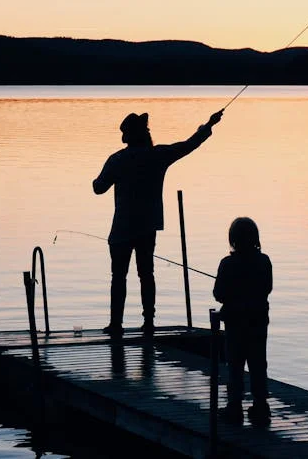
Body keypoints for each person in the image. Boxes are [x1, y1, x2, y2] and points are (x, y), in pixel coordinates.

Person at [93, 109, 223, 336]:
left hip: (122, 229)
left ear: (127, 137)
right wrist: (208, 125)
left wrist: (105, 176)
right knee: (146, 274)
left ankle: (116, 324)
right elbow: (189, 144)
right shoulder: (158, 156)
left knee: (118, 277)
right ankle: (149, 322)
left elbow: (98, 188)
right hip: (147, 227)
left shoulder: (117, 159)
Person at [213, 217, 273, 426]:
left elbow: (218, 293)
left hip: (235, 323)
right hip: (258, 322)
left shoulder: (227, 264)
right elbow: (267, 288)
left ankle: (234, 406)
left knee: (235, 365)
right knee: (258, 364)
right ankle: (261, 405)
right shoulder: (264, 261)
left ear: (233, 240)